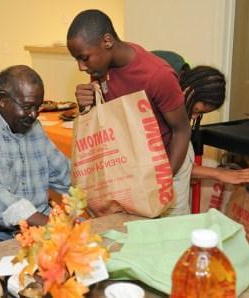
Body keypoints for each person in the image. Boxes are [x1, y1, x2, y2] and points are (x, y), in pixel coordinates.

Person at [67, 9, 191, 216]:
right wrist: (86, 107)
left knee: (168, 237)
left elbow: (182, 130)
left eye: (84, 58)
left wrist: (162, 180)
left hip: (169, 162)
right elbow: (106, 120)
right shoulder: (100, 68)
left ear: (107, 41)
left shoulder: (157, 75)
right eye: (77, 59)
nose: (81, 66)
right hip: (132, 164)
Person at [0, 65, 70, 247]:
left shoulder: (32, 126)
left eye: (37, 107)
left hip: (41, 223)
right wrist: (51, 225)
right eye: (27, 107)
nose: (34, 115)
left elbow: (64, 174)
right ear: (2, 100)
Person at [179, 65, 249, 184]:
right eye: (196, 110)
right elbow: (172, 169)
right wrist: (218, 173)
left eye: (200, 114)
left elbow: (184, 170)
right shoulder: (163, 124)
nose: (195, 116)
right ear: (189, 91)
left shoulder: (182, 123)